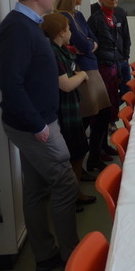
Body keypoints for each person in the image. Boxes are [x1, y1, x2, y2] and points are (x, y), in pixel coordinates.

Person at [0, 0, 79, 271]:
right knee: (65, 182)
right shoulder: (17, 28)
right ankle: (72, 256)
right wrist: (38, 125)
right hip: (34, 123)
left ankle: (45, 254)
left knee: (36, 189)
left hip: (36, 120)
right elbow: (11, 84)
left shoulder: (29, 24)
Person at [56, 0, 114, 174]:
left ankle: (94, 158)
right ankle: (80, 166)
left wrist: (88, 45)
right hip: (82, 71)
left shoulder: (78, 16)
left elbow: (91, 42)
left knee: (104, 112)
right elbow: (85, 44)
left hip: (91, 66)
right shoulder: (64, 16)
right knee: (88, 117)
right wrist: (88, 45)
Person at [41, 13, 97, 206]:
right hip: (63, 107)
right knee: (73, 150)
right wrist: (81, 75)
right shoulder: (53, 52)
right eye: (69, 28)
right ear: (61, 32)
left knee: (78, 149)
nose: (71, 31)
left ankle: (76, 191)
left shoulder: (60, 49)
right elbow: (65, 84)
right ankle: (72, 195)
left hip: (70, 104)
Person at [88, 0, 123, 147]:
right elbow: (91, 44)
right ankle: (97, 151)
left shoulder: (114, 18)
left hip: (112, 65)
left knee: (109, 109)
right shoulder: (95, 18)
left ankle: (105, 147)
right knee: (101, 111)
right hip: (101, 66)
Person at [91, 0, 132, 99]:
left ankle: (114, 115)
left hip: (120, 58)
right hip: (104, 62)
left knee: (124, 90)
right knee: (107, 94)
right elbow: (93, 40)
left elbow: (125, 35)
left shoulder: (116, 14)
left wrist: (126, 56)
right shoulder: (94, 15)